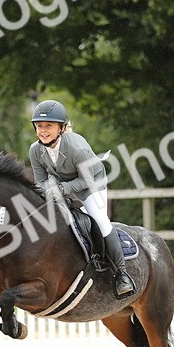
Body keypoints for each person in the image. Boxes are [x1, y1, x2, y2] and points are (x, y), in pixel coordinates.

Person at [27, 99, 135, 298]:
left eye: (49, 126)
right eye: (39, 126)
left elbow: (86, 181)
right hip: (62, 183)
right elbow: (41, 182)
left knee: (99, 221)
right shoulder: (35, 150)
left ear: (61, 128)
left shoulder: (77, 148)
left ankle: (122, 275)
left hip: (91, 184)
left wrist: (60, 189)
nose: (43, 131)